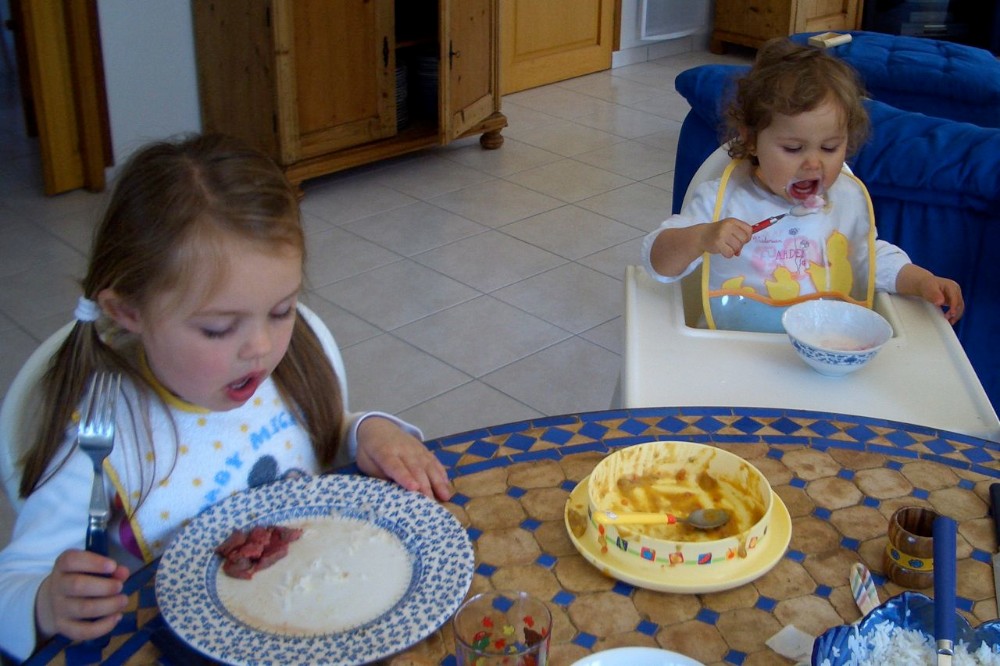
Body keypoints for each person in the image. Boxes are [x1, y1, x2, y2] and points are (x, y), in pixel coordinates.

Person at [0, 134, 453, 661]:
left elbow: (322, 449)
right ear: (128, 312)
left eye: (281, 311)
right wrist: (45, 603)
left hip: (316, 618)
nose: (260, 347)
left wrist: (365, 430)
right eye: (217, 329)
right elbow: (12, 585)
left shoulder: (290, 367)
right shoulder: (100, 443)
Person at [642, 38, 964, 333]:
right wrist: (701, 237)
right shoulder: (722, 200)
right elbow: (658, 263)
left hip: (820, 349)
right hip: (735, 348)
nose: (813, 163)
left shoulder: (840, 201)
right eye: (794, 148)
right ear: (752, 140)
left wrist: (922, 282)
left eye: (830, 148)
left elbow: (868, 259)